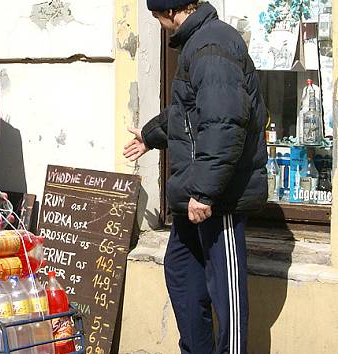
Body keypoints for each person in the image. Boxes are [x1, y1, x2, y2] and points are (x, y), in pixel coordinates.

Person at [124, 1, 267, 353]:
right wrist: (150, 134)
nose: (158, 24)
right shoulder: (201, 42)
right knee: (181, 269)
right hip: (194, 193)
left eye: (156, 16)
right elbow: (191, 109)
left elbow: (224, 122)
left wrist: (205, 193)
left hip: (218, 197)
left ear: (169, 11)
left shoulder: (211, 44)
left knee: (227, 294)